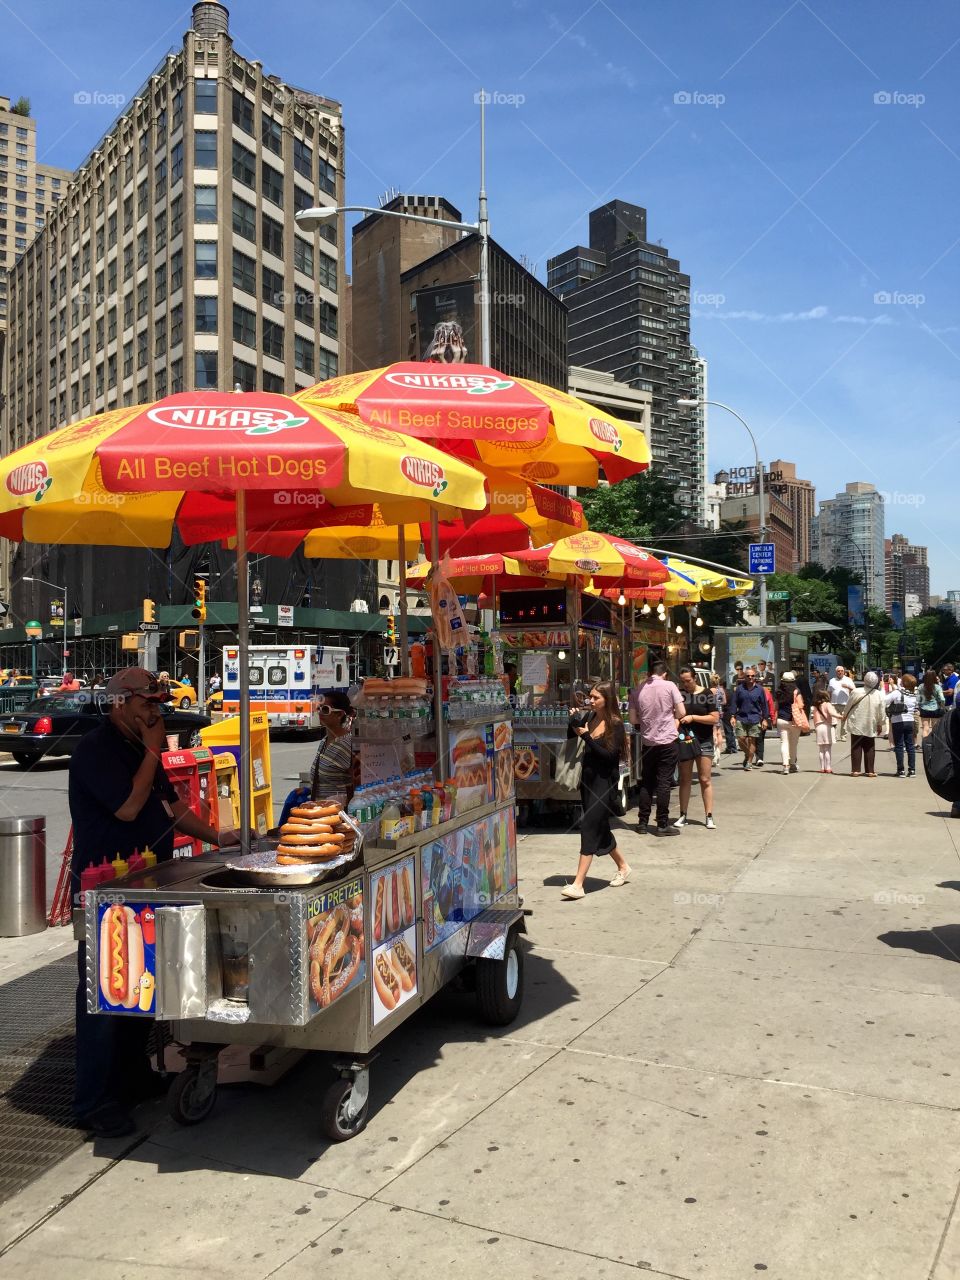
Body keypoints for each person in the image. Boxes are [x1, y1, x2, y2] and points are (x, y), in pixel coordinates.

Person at [69, 669, 242, 1139]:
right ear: (120, 702)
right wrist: (151, 749)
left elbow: (172, 807)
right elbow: (127, 807)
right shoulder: (96, 750)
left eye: (159, 704)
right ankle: (95, 1101)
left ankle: (132, 1077)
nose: (156, 712)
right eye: (148, 703)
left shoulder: (139, 748)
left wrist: (220, 838)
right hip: (106, 887)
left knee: (142, 983)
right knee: (104, 993)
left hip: (148, 880)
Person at [561, 682, 631, 898]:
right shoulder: (590, 717)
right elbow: (571, 737)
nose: (590, 701)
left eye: (595, 698)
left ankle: (578, 884)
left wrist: (586, 736)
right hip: (588, 779)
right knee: (599, 827)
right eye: (590, 697)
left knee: (589, 826)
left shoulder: (616, 724)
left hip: (605, 781)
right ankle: (623, 866)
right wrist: (573, 722)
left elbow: (609, 757)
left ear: (607, 700)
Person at [631, 662, 684, 836]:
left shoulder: (637, 689)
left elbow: (633, 720)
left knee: (647, 782)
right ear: (665, 674)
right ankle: (662, 824)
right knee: (664, 783)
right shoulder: (670, 686)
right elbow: (681, 712)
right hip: (668, 741)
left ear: (649, 674)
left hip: (648, 743)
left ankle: (642, 823)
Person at [674, 667, 719, 829]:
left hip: (704, 740)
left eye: (688, 681)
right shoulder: (679, 694)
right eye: (683, 681)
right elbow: (675, 715)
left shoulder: (706, 694)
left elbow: (714, 718)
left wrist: (693, 717)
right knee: (685, 779)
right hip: (685, 740)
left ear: (695, 678)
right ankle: (683, 815)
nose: (686, 684)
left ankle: (709, 815)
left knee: (705, 779)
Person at [309, 690, 356, 804]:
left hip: (337, 813)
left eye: (325, 709)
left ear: (339, 714)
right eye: (319, 708)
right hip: (321, 812)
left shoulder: (347, 745)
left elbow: (356, 784)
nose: (320, 713)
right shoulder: (324, 741)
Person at [840, 671, 887, 777]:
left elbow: (848, 705)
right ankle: (870, 771)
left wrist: (844, 715)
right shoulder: (879, 694)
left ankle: (855, 770)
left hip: (857, 721)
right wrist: (880, 723)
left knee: (856, 746)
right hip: (871, 722)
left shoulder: (856, 691)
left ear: (864, 680)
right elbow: (881, 711)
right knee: (870, 746)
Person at [732, 667, 768, 770]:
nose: (750, 678)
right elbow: (734, 703)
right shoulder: (739, 689)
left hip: (755, 717)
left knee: (753, 740)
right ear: (744, 677)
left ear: (755, 677)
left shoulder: (759, 689)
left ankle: (749, 762)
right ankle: (748, 754)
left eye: (752, 676)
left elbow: (764, 705)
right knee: (741, 739)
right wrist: (732, 716)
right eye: (748, 676)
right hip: (741, 717)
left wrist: (765, 719)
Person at [886, 672, 919, 777]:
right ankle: (912, 770)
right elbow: (916, 708)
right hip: (910, 721)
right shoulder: (914, 695)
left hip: (898, 721)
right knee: (910, 746)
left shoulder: (897, 692)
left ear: (904, 683)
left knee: (899, 746)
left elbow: (885, 700)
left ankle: (901, 770)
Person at [773, 671, 807, 775]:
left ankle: (785, 766)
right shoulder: (796, 691)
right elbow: (801, 705)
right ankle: (792, 764)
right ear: (793, 681)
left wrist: (774, 717)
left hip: (782, 720)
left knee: (784, 743)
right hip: (794, 720)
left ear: (782, 681)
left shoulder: (778, 691)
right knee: (793, 744)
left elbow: (776, 706)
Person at [812, 690, 837, 773]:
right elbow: (832, 713)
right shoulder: (827, 704)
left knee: (821, 749)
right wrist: (841, 716)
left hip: (818, 727)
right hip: (827, 726)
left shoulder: (815, 706)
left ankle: (822, 768)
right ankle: (828, 767)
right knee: (827, 749)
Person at [828, 666, 855, 741]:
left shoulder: (848, 680)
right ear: (836, 672)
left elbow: (854, 690)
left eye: (841, 671)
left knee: (844, 721)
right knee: (834, 721)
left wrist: (848, 686)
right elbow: (829, 692)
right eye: (838, 671)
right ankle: (835, 736)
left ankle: (843, 736)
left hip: (845, 703)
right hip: (834, 703)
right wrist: (828, 702)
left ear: (844, 672)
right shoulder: (832, 680)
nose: (840, 672)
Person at [917, 669, 945, 740]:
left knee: (925, 728)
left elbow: (918, 699)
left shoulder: (921, 686)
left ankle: (925, 745)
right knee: (935, 728)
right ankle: (934, 745)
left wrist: (920, 706)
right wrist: (942, 706)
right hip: (936, 709)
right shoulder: (937, 687)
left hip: (924, 709)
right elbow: (942, 699)